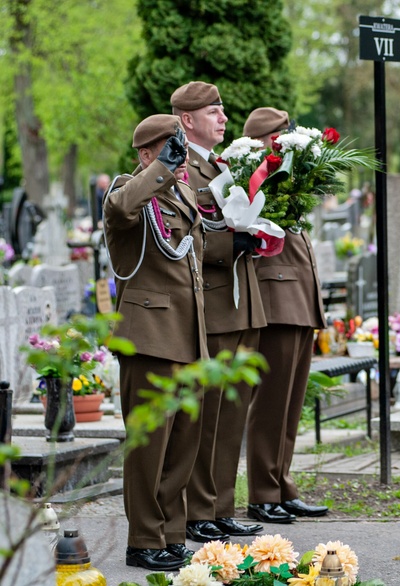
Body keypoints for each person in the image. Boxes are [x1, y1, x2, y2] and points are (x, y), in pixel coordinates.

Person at [103, 114, 206, 570]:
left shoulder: (181, 193)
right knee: (150, 446)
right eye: (171, 148)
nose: (180, 158)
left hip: (187, 335)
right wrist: (160, 168)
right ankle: (143, 539)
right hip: (149, 337)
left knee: (183, 443)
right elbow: (122, 209)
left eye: (180, 149)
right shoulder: (129, 192)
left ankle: (170, 532)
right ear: (147, 153)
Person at [171, 81, 267, 542]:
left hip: (240, 300)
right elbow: (184, 234)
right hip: (211, 302)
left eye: (224, 110)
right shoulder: (181, 167)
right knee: (206, 417)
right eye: (214, 112)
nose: (224, 118)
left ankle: (220, 505)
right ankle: (196, 511)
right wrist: (233, 242)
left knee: (231, 417)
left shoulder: (220, 164)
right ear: (187, 119)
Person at [241, 107, 329, 523]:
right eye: (282, 134)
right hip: (277, 302)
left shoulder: (289, 175)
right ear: (265, 139)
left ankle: (281, 486)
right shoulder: (257, 176)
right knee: (272, 403)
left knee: (290, 404)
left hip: (298, 300)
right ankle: (262, 494)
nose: (288, 139)